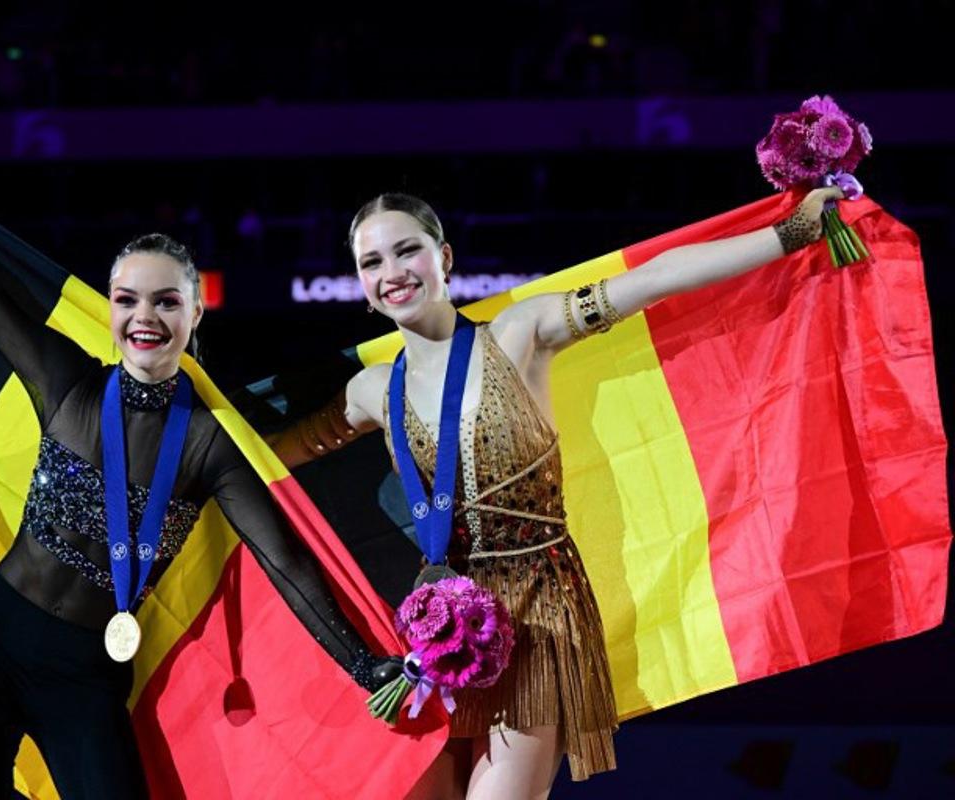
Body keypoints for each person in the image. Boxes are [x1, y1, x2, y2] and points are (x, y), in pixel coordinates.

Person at [0, 126, 399, 800]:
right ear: (111, 310)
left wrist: (363, 665)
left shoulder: (209, 444)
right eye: (128, 299)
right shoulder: (67, 383)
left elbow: (286, 563)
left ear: (196, 313)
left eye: (166, 301)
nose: (144, 316)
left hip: (84, 678)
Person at [271, 188, 843, 799]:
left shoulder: (520, 334)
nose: (392, 273)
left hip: (537, 615)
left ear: (445, 257)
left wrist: (787, 234)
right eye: (372, 262)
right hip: (437, 629)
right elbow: (269, 456)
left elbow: (653, 280)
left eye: (407, 251)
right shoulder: (372, 390)